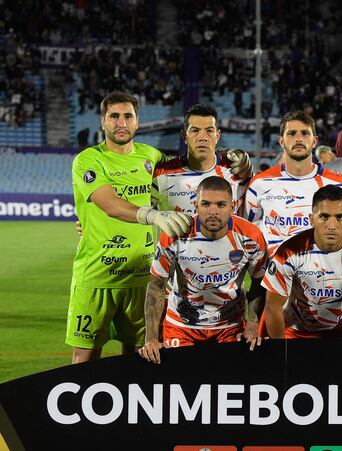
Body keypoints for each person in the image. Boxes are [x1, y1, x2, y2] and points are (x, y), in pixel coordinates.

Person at [66, 91, 193, 364]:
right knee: (84, 363)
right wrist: (152, 215)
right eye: (114, 116)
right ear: (103, 121)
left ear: (137, 121)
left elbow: (190, 173)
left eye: (128, 116)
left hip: (143, 280)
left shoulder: (152, 157)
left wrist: (228, 158)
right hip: (97, 276)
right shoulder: (88, 160)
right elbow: (109, 203)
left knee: (140, 361)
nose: (121, 123)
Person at [139, 176, 268, 363]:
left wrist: (252, 326)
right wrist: (151, 338)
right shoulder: (175, 234)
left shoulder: (251, 237)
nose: (213, 211)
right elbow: (156, 286)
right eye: (206, 204)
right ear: (195, 205)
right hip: (181, 326)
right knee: (181, 385)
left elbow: (259, 283)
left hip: (230, 326)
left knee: (227, 384)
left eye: (221, 205)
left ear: (232, 206)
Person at [259, 186, 342, 340]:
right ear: (312, 219)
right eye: (324, 217)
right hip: (298, 332)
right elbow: (273, 307)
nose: (332, 226)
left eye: (340, 217)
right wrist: (280, 352)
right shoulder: (288, 252)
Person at [244, 111, 342, 256]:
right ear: (281, 141)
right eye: (292, 133)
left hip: (323, 273)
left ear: (314, 141)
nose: (299, 139)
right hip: (275, 274)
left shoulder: (338, 184)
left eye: (305, 133)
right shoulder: (259, 183)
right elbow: (250, 229)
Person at [153, 104, 253, 215]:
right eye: (195, 131)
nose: (202, 137)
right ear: (184, 136)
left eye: (209, 131)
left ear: (217, 136)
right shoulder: (161, 174)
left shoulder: (237, 171)